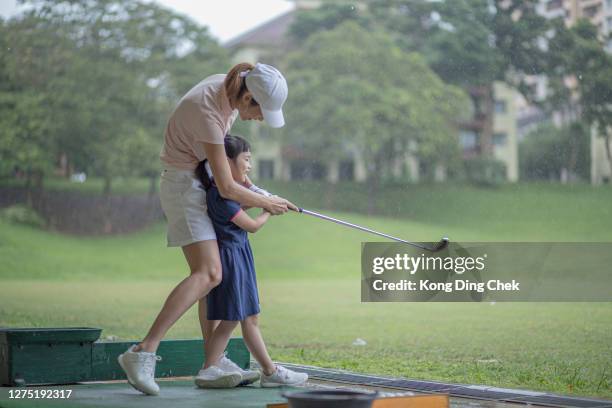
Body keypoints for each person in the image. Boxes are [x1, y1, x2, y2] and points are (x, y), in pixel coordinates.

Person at [117, 62, 298, 396]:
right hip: (185, 188)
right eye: (259, 112)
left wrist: (265, 195)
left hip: (201, 183)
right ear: (247, 97)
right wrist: (265, 203)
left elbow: (227, 176)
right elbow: (228, 187)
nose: (259, 119)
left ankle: (213, 363)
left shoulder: (226, 94)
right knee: (209, 273)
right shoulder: (209, 110)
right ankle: (143, 351)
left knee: (213, 276)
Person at [193, 135, 308, 388]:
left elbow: (251, 191)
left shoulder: (232, 189)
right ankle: (208, 368)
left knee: (251, 317)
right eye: (246, 159)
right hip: (231, 259)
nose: (249, 165)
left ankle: (269, 372)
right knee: (232, 319)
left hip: (241, 255)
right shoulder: (220, 195)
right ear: (226, 162)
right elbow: (252, 226)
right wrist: (268, 209)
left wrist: (274, 200)